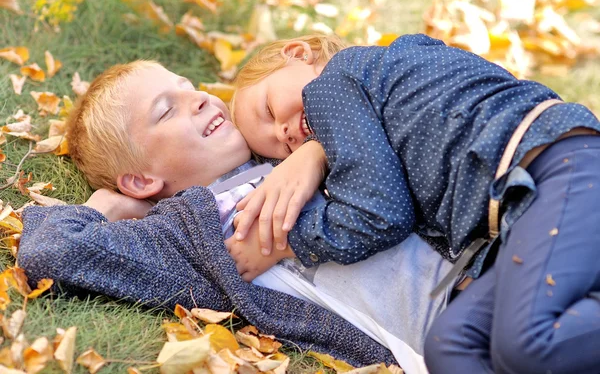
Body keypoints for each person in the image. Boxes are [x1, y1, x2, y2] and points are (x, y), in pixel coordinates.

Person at [17, 60, 454, 373]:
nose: (201, 98)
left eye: (188, 85)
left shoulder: (281, 135)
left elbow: (377, 112)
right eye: (167, 109)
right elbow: (51, 254)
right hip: (440, 337)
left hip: (480, 249)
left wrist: (314, 154)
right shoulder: (188, 230)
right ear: (140, 181)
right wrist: (105, 206)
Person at [230, 33, 600, 373]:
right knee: (452, 345)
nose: (282, 132)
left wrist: (286, 242)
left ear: (297, 52)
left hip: (557, 164)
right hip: (520, 210)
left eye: (267, 109)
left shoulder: (333, 84)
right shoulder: (391, 85)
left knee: (526, 344)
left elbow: (378, 214)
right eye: (279, 148)